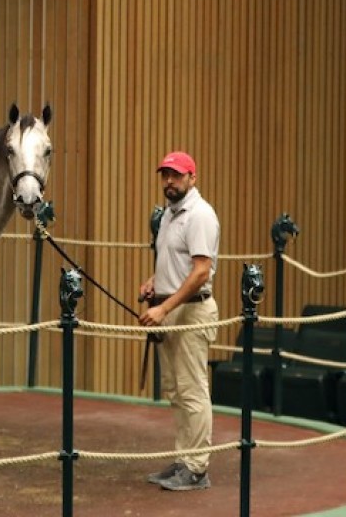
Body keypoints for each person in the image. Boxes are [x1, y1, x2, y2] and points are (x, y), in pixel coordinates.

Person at [138, 151, 219, 491]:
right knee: (175, 390)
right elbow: (178, 261)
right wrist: (154, 282)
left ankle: (197, 468)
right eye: (165, 175)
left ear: (192, 178)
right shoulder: (171, 215)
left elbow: (201, 272)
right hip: (172, 310)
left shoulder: (199, 215)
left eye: (176, 175)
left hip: (190, 311)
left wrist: (163, 308)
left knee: (192, 391)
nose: (169, 181)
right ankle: (184, 459)